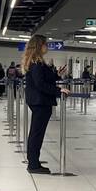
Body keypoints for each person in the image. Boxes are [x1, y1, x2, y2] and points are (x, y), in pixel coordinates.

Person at [23, 35, 67, 174]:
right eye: (45, 44)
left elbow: (44, 79)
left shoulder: (37, 62)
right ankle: (33, 164)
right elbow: (40, 84)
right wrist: (58, 90)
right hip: (40, 101)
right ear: (39, 46)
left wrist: (57, 75)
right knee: (37, 133)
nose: (47, 46)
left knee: (37, 133)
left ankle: (34, 162)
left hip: (39, 101)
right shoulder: (36, 63)